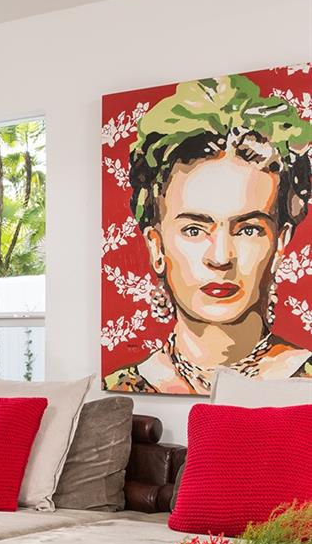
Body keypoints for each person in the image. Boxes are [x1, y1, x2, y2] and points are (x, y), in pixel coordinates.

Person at [104, 74, 312, 394]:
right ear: (156, 246)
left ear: (280, 242)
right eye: (194, 229)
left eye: (248, 229)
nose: (220, 257)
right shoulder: (122, 386)